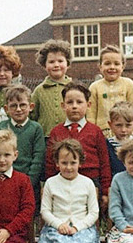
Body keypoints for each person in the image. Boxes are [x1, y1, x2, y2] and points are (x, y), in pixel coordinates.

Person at [36, 139, 101, 243]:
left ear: (80, 162)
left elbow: (94, 212)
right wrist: (59, 225)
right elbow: (45, 211)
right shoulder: (51, 183)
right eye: (64, 163)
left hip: (82, 227)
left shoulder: (87, 183)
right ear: (57, 163)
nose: (69, 167)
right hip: (57, 228)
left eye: (73, 162)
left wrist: (78, 227)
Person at [45, 82, 112, 211]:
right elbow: (50, 163)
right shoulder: (56, 132)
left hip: (91, 181)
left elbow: (104, 163)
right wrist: (51, 185)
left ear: (88, 105)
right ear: (63, 106)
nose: (74, 106)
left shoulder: (95, 131)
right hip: (62, 181)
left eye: (79, 102)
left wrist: (105, 191)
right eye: (70, 102)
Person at [0, 84, 46, 209]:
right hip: (6, 179)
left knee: (28, 211)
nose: (18, 109)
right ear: (6, 109)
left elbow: (38, 157)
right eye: (13, 106)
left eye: (22, 105)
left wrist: (29, 181)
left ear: (31, 107)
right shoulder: (2, 127)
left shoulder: (36, 128)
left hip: (29, 181)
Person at [87, 45, 133, 138]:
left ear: (123, 66)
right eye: (107, 63)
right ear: (100, 66)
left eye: (116, 64)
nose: (112, 67)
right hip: (103, 134)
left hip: (125, 132)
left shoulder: (128, 84)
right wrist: (92, 137)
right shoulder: (94, 87)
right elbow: (90, 115)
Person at [30, 39, 73, 137]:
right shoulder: (39, 91)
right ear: (44, 65)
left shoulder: (74, 88)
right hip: (46, 138)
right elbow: (32, 116)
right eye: (51, 62)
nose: (56, 65)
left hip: (70, 137)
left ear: (68, 64)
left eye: (60, 61)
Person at [106, 101, 133, 180]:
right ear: (110, 125)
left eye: (128, 125)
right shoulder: (108, 144)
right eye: (118, 125)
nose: (123, 130)